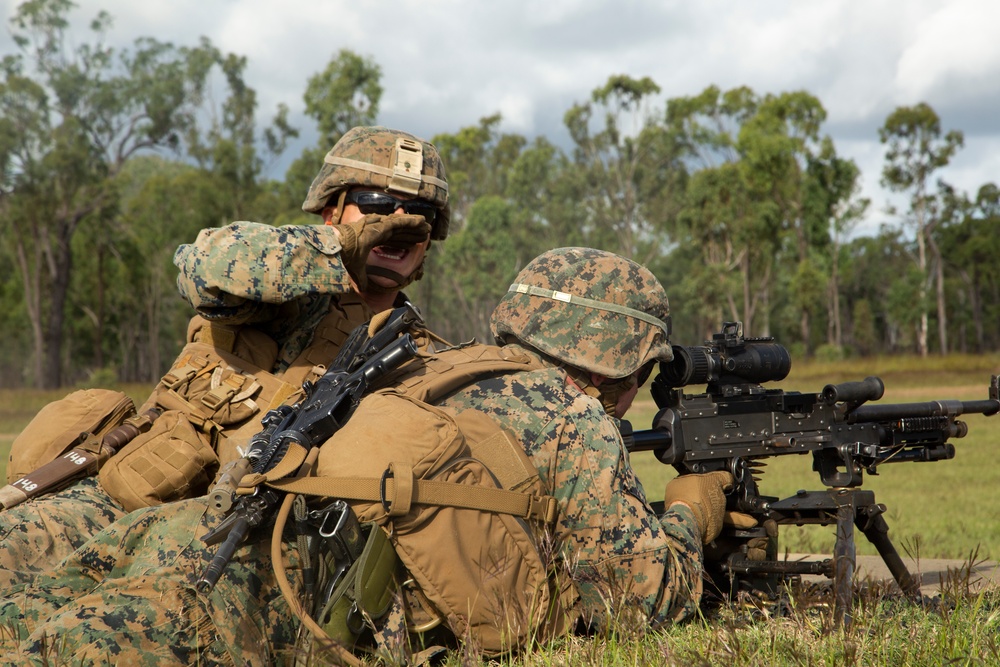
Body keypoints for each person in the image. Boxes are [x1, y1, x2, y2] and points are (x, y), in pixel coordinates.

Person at [0, 247, 742, 665]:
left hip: (202, 531)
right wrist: (690, 510)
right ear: (618, 367)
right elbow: (641, 598)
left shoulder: (426, 362)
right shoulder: (573, 417)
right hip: (278, 606)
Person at [0, 125, 451, 588]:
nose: (400, 223)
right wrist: (340, 250)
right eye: (376, 205)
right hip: (115, 502)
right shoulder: (282, 286)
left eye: (421, 214)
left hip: (231, 547)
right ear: (331, 210)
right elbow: (204, 265)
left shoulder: (421, 356)